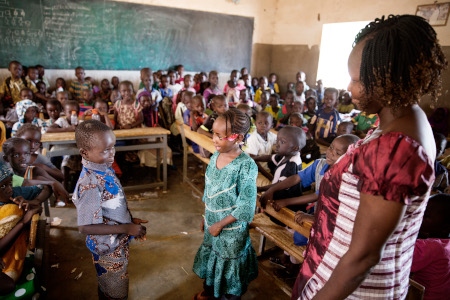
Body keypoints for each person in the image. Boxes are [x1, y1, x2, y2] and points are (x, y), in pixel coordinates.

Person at [292, 14, 446, 300]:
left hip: (353, 291)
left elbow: (363, 257)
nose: (349, 89)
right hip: (334, 276)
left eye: (355, 80)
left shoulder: (397, 149)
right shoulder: (398, 121)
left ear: (388, 81)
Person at [72, 120, 147, 300]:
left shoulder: (103, 167)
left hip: (116, 241)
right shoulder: (89, 184)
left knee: (110, 284)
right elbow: (85, 227)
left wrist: (128, 220)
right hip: (107, 248)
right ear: (85, 152)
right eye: (106, 150)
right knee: (115, 290)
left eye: (112, 147)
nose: (112, 153)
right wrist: (126, 228)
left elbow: (109, 203)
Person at [192, 108, 258, 300]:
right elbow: (210, 189)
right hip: (213, 223)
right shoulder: (216, 155)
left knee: (229, 268)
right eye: (213, 133)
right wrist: (207, 217)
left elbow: (246, 205)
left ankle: (227, 296)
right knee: (212, 259)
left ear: (238, 138)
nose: (214, 139)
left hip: (231, 230)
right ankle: (209, 292)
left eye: (220, 136)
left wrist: (220, 224)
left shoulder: (245, 166)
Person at [0, 163, 43, 295]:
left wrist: (30, 206)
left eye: (9, 184)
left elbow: (39, 202)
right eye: (2, 186)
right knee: (8, 285)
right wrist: (22, 223)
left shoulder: (13, 199)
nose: (9, 190)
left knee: (9, 285)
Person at [410, 193, 450, 299]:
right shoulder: (445, 244)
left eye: (426, 216)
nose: (419, 218)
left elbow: (400, 257)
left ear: (445, 228)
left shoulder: (431, 247)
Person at [244, 111, 277, 186]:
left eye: (266, 123)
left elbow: (280, 142)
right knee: (269, 187)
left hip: (266, 170)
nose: (263, 125)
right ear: (255, 124)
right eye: (260, 123)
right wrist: (269, 177)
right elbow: (254, 162)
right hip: (253, 172)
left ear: (271, 125)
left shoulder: (271, 135)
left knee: (279, 184)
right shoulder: (252, 139)